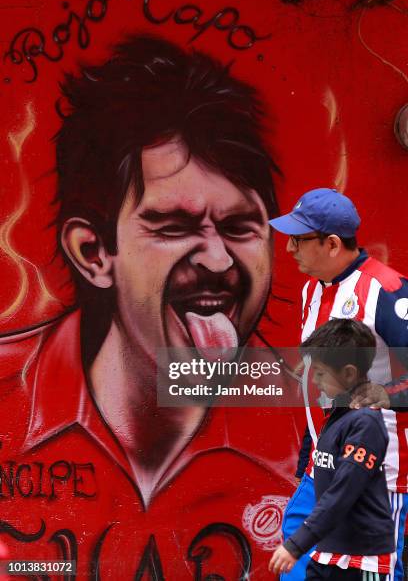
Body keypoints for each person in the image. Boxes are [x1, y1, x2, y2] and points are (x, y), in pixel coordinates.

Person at [0, 34, 297, 578]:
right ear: (94, 252)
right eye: (175, 227)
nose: (216, 259)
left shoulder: (322, 402)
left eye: (239, 228)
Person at [269, 187, 408, 581]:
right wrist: (309, 453)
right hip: (324, 464)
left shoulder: (387, 291)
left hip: (377, 474)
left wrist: (389, 393)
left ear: (331, 244)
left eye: (298, 239)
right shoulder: (311, 290)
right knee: (295, 569)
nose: (289, 248)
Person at [269, 318, 395, 580]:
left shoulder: (365, 424)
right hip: (326, 554)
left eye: (321, 372)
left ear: (349, 373)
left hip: (361, 563)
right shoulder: (336, 413)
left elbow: (343, 492)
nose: (313, 379)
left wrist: (295, 545)